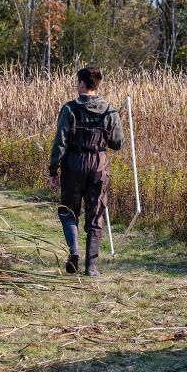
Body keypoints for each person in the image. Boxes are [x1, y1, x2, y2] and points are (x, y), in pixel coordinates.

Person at [48, 67, 124, 276]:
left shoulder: (69, 109)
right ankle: (91, 268)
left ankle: (74, 251)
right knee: (96, 214)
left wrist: (53, 170)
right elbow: (118, 144)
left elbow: (60, 143)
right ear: (97, 84)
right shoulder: (110, 110)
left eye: (77, 81)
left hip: (73, 163)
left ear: (82, 83)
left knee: (68, 211)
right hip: (99, 165)